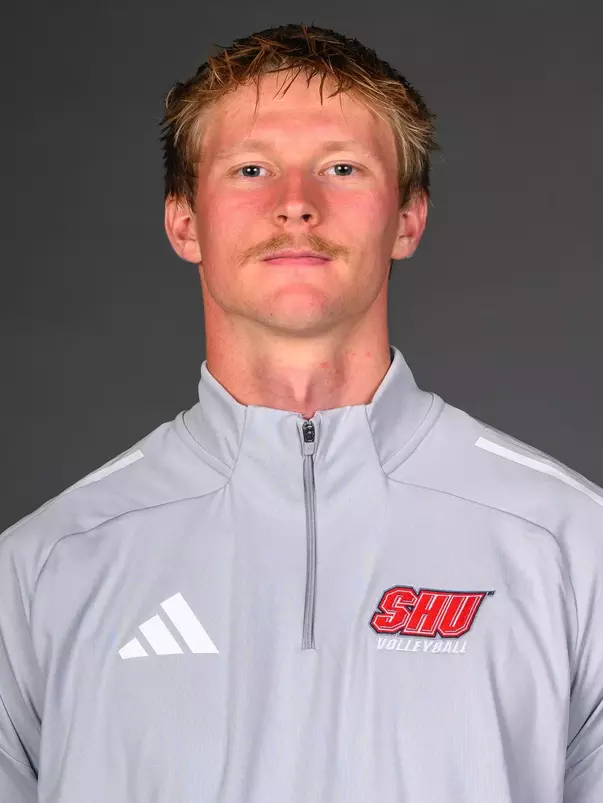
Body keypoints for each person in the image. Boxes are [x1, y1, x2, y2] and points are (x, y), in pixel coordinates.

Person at [1, 22, 602, 803]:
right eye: (251, 169)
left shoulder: (570, 544)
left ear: (407, 219)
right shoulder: (44, 568)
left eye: (341, 168)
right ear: (185, 221)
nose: (295, 205)